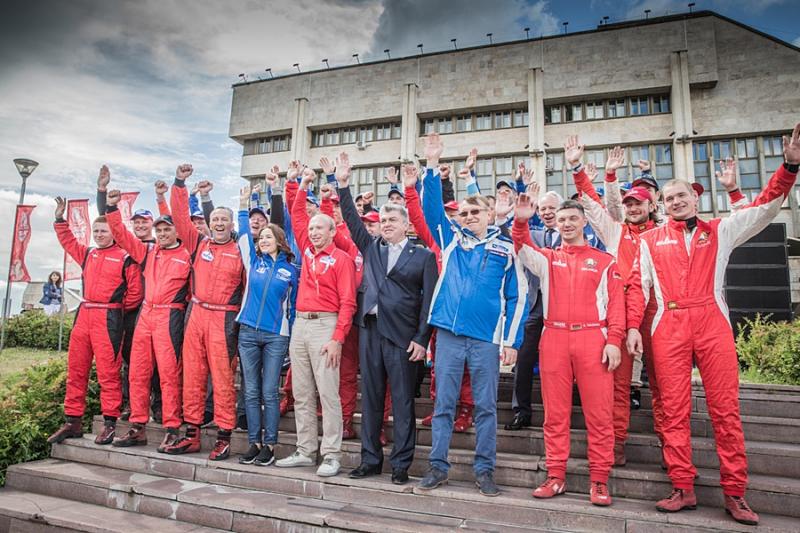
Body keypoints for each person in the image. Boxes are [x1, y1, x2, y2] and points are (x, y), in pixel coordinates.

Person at [625, 123, 800, 526]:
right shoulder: (649, 240)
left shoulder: (720, 230)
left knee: (725, 409)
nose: (675, 201)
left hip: (711, 321)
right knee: (672, 410)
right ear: (661, 204)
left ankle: (735, 493)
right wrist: (634, 327)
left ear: (695, 197)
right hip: (668, 323)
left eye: (681, 195)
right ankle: (682, 487)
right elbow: (639, 286)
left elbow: (764, 209)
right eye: (669, 198)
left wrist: (789, 168)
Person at [418, 132, 527, 497]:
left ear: (489, 214)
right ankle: (437, 466)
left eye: (474, 212)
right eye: (463, 213)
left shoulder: (506, 247)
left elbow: (518, 297)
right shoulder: (451, 240)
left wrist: (512, 341)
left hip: (485, 339)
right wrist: (432, 164)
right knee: (443, 405)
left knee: (485, 408)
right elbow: (431, 208)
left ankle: (485, 470)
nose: (467, 217)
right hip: (449, 335)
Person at [513, 189, 624, 507]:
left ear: (584, 221)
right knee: (555, 414)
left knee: (599, 414)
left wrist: (614, 340)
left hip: (592, 338)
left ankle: (599, 479)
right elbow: (522, 247)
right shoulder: (548, 259)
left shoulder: (604, 261)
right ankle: (555, 475)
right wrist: (520, 222)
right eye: (561, 219)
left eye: (573, 218)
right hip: (554, 337)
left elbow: (616, 305)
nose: (567, 223)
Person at [335, 154, 438, 485]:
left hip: (403, 338)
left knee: (404, 403)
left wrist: (422, 339)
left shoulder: (422, 257)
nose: (387, 224)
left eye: (393, 220)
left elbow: (429, 302)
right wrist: (342, 185)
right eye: (383, 220)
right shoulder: (371, 248)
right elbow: (352, 219)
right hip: (371, 332)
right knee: (371, 399)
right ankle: (370, 460)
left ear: (406, 225)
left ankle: (401, 464)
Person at [566, 138, 658, 468]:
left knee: (664, 386)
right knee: (618, 386)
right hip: (621, 313)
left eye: (639, 203)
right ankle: (616, 444)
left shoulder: (663, 235)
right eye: (628, 203)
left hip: (656, 314)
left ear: (651, 205)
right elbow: (592, 204)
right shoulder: (616, 232)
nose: (632, 208)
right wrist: (577, 168)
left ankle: (671, 447)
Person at [274, 166, 356, 477]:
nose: (313, 232)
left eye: (320, 228)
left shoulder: (342, 260)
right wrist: (302, 183)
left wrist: (337, 338)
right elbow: (296, 215)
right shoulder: (307, 251)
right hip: (301, 325)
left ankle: (332, 454)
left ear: (333, 231)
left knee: (328, 393)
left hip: (326, 325)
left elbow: (348, 302)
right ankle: (305, 450)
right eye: (311, 229)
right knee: (302, 392)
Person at [162, 164, 244, 461]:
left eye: (224, 220)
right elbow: (180, 216)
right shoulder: (198, 244)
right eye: (215, 219)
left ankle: (223, 437)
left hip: (224, 318)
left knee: (222, 379)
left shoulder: (241, 250)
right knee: (192, 376)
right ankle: (191, 434)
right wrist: (179, 183)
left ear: (231, 224)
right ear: (209, 223)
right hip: (196, 315)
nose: (219, 223)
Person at [47, 196, 141, 445]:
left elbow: (135, 293)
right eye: (96, 231)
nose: (99, 235)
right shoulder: (88, 253)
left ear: (114, 233)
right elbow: (68, 242)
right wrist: (59, 219)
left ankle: (109, 424)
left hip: (108, 318)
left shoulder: (126, 257)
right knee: (76, 370)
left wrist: (115, 309)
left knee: (108, 373)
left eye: (104, 231)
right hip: (84, 314)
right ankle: (73, 421)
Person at [104, 190, 191, 453]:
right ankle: (137, 426)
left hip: (170, 316)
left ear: (176, 231)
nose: (162, 234)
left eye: (167, 229)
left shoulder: (188, 254)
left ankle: (172, 428)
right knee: (137, 373)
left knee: (169, 374)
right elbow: (121, 235)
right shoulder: (148, 253)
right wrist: (112, 207)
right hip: (146, 314)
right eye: (159, 230)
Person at [236, 184, 298, 466]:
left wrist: (291, 337)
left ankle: (270, 445)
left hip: (276, 336)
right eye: (260, 237)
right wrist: (243, 204)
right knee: (250, 391)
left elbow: (293, 308)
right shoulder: (253, 261)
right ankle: (255, 442)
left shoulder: (290, 270)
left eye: (268, 237)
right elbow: (243, 235)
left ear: (279, 240)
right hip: (248, 332)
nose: (262, 240)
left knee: (269, 392)